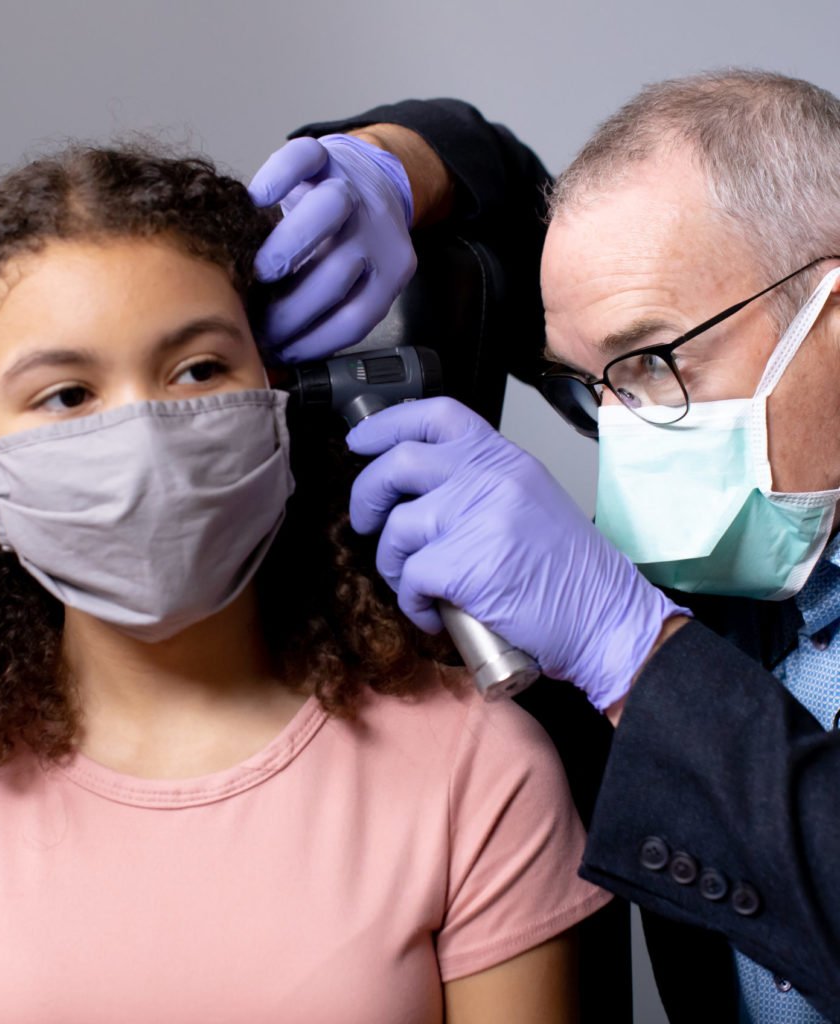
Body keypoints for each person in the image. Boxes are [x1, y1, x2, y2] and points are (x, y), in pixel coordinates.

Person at [0, 141, 610, 1023]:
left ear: (270, 392)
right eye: (67, 396)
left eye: (197, 371)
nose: (148, 437)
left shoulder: (477, 769)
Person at [248, 71, 840, 1022]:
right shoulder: (741, 507)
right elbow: (505, 183)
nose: (622, 431)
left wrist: (635, 654)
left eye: (653, 363)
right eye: (590, 381)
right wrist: (393, 167)